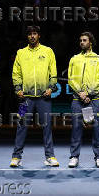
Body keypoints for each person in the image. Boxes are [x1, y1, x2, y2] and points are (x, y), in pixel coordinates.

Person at [10, 26, 59, 167]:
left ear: (39, 36)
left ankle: (50, 156)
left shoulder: (48, 51)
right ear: (27, 37)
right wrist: (18, 89)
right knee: (21, 124)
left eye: (35, 34)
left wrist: (51, 88)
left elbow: (53, 72)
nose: (32, 36)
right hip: (25, 98)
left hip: (44, 97)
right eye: (30, 34)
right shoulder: (21, 53)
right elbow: (16, 73)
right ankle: (16, 157)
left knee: (47, 126)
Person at [67, 32, 99, 168]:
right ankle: (74, 156)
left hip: (94, 99)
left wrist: (88, 93)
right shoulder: (74, 59)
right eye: (80, 40)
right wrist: (80, 93)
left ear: (91, 42)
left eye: (84, 40)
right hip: (78, 99)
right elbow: (71, 78)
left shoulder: (98, 59)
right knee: (76, 129)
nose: (81, 42)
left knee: (96, 128)